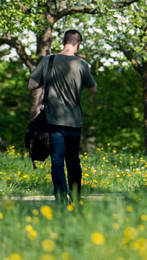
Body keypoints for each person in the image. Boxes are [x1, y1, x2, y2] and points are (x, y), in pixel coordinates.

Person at [28, 29, 97, 203]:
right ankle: (75, 198)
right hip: (74, 121)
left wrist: (48, 80)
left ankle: (60, 198)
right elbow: (93, 89)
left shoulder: (48, 60)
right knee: (73, 161)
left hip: (53, 121)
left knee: (57, 161)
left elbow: (31, 85)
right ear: (78, 44)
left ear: (63, 42)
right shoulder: (81, 65)